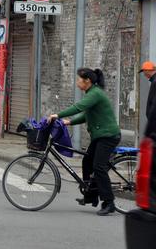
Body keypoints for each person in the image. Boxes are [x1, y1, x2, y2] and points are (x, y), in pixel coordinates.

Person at [48, 68, 121, 216]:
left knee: (98, 167)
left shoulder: (95, 94)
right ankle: (91, 196)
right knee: (87, 161)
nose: (77, 82)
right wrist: (69, 122)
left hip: (108, 136)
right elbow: (86, 115)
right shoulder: (91, 93)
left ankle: (109, 202)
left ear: (87, 81)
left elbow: (78, 107)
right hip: (100, 136)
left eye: (78, 80)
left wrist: (58, 114)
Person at [140, 61, 156, 132]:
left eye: (144, 71)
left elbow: (153, 102)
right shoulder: (154, 81)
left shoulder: (155, 82)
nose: (143, 74)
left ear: (147, 70)